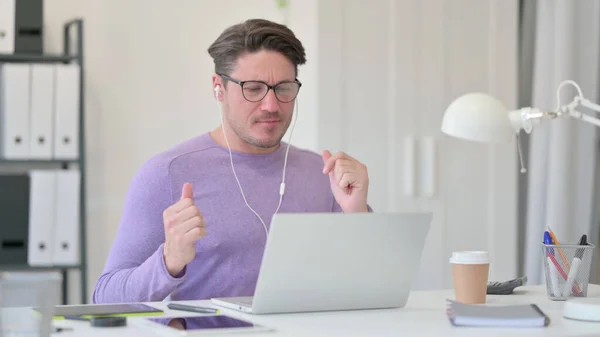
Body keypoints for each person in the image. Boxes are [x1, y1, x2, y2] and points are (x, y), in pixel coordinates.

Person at [92, 18, 371, 304]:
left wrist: (357, 212)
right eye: (253, 88)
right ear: (219, 88)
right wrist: (169, 260)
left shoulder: (322, 174)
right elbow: (106, 297)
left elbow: (372, 285)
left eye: (284, 88)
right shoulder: (167, 173)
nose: (271, 105)